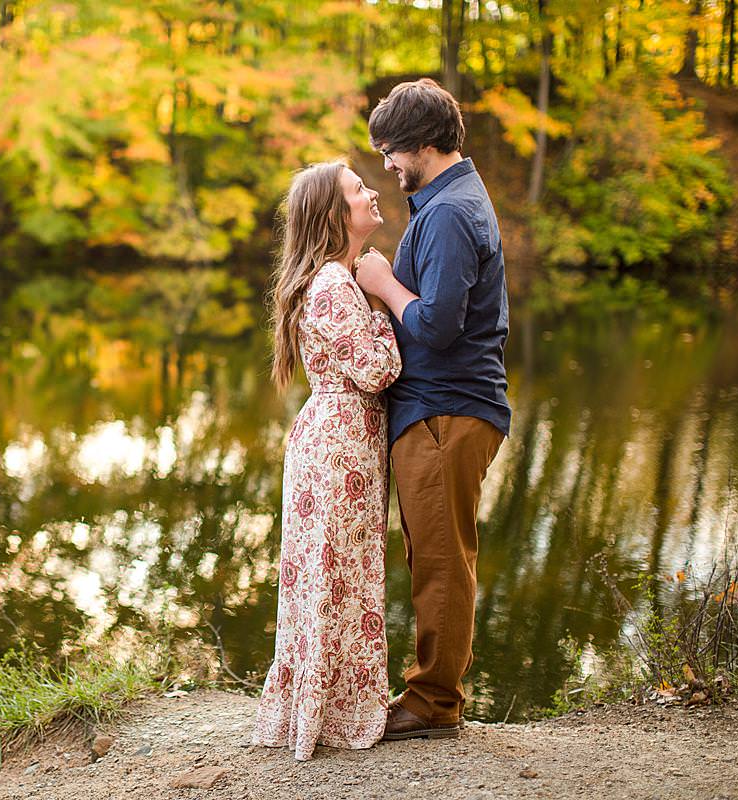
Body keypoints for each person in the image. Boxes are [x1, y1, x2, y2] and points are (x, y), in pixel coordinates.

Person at [354, 78, 510, 741]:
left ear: (422, 143)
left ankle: (433, 703)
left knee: (442, 562)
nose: (386, 165)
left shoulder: (447, 214)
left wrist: (384, 283)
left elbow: (441, 326)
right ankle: (429, 693)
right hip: (440, 409)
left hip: (448, 411)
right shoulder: (446, 202)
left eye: (390, 150)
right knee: (434, 556)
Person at [251, 160, 402, 761]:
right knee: (336, 576)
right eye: (357, 189)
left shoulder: (330, 280)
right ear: (334, 215)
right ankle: (331, 711)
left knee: (332, 576)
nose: (370, 193)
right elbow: (376, 369)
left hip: (337, 442)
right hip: (338, 446)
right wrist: (387, 307)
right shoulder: (336, 285)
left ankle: (326, 705)